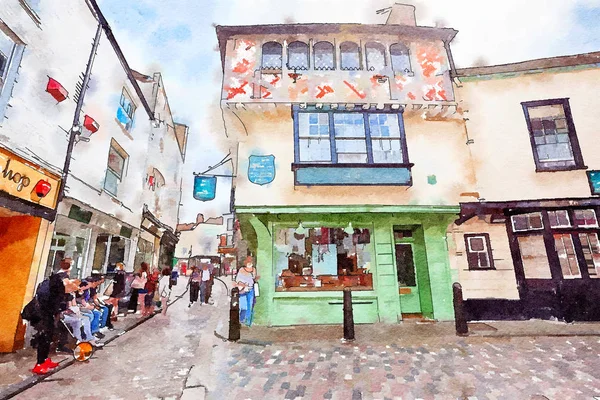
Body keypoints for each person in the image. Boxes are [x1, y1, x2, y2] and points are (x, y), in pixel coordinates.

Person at [32, 258, 80, 375]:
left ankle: (44, 360)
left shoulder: (57, 277)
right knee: (45, 337)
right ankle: (39, 364)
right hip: (45, 312)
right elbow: (65, 291)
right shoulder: (61, 277)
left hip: (50, 311)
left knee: (49, 336)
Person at [235, 256, 260, 326]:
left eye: (251, 261)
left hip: (251, 289)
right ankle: (241, 319)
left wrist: (256, 279)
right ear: (245, 262)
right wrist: (242, 284)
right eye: (248, 261)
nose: (250, 262)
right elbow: (238, 280)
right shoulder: (241, 270)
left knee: (250, 305)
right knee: (243, 306)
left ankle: (248, 321)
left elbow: (253, 279)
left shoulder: (254, 269)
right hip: (243, 290)